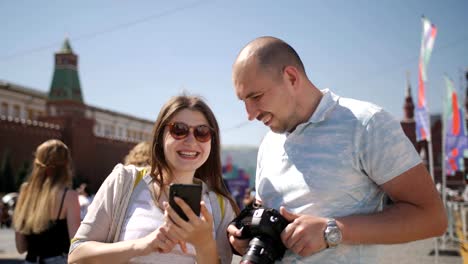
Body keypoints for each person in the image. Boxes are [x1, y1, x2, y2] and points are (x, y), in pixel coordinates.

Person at [227, 36, 448, 263]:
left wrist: (332, 231)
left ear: (291, 77)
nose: (250, 114)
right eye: (244, 100)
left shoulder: (367, 124)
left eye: (256, 96)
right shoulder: (268, 143)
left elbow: (432, 218)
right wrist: (245, 237)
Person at [68, 94, 240, 264]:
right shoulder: (125, 181)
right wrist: (142, 245)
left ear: (212, 141)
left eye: (202, 132)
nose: (191, 140)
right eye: (179, 130)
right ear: (160, 135)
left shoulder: (221, 207)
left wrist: (204, 244)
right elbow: (76, 255)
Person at [13, 139, 81, 263]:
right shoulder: (69, 196)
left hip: (31, 261)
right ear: (66, 164)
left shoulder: (25, 192)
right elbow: (76, 244)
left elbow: (20, 248)